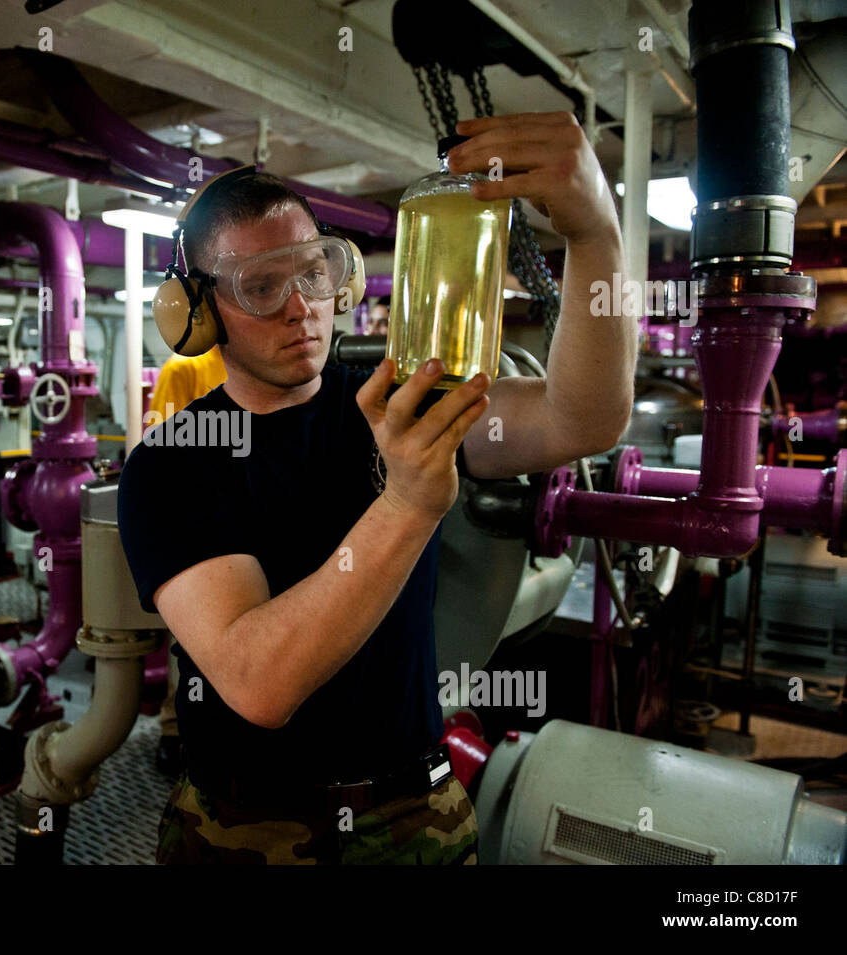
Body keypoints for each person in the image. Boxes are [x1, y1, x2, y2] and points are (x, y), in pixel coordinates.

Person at [117, 111, 636, 864]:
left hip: (416, 813)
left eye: (313, 272)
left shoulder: (401, 405)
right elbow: (260, 681)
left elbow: (582, 418)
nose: (300, 306)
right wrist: (408, 504)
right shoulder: (173, 465)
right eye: (260, 287)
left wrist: (596, 235)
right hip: (248, 832)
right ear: (197, 313)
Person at [145, 348, 227, 776]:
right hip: (199, 524)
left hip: (249, 520)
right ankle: (173, 729)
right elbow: (161, 452)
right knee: (191, 641)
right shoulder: (186, 370)